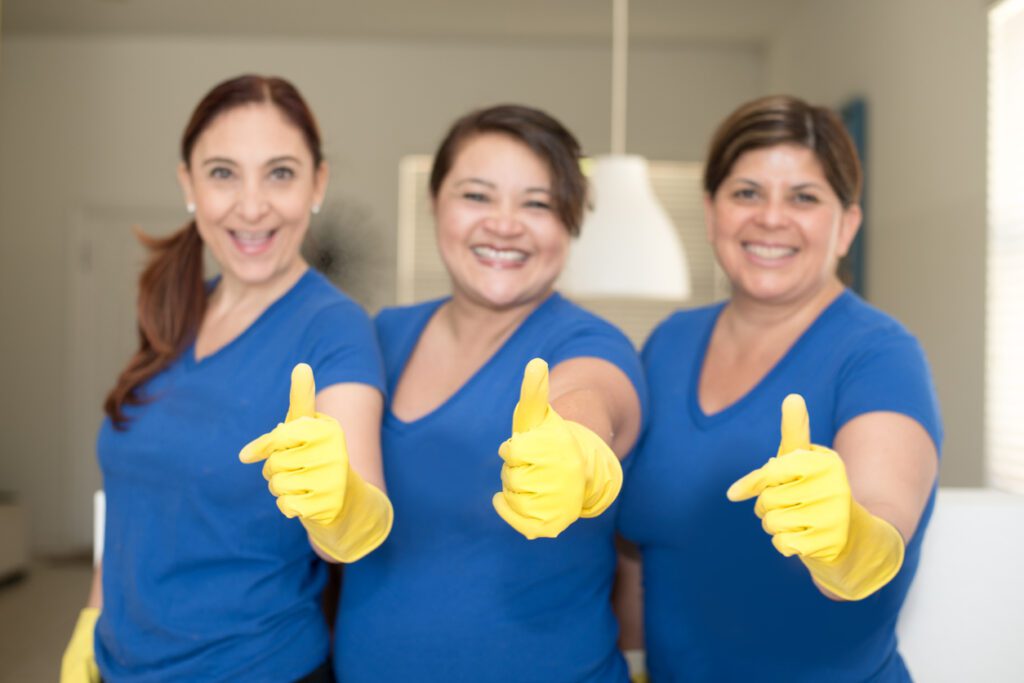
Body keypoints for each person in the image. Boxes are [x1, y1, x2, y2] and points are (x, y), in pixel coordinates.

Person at [59, 74, 391, 683]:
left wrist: (340, 500)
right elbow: (134, 505)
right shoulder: (172, 311)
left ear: (318, 184)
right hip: (117, 665)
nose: (252, 205)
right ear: (188, 183)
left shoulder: (334, 327)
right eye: (222, 173)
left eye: (280, 173)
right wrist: (93, 616)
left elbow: (357, 515)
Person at [616, 94, 942, 682]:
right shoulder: (668, 344)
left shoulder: (880, 354)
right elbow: (638, 549)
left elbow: (885, 512)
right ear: (711, 211)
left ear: (847, 227)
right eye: (746, 193)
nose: (770, 217)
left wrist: (847, 535)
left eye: (804, 197)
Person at [333, 104, 646, 682]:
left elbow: (589, 399)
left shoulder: (593, 343)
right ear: (435, 203)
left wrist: (572, 447)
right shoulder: (379, 338)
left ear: (571, 223)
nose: (504, 224)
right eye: (477, 196)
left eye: (538, 203)